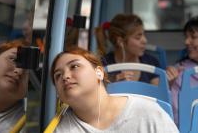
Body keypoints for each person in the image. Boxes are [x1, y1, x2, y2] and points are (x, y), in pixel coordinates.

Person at [50, 47, 179, 133]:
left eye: (74, 66)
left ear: (99, 72)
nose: (65, 76)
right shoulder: (61, 129)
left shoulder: (147, 113)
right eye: (58, 75)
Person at [95, 13, 160, 83]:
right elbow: (96, 91)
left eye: (143, 34)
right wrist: (112, 84)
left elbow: (158, 92)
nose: (145, 41)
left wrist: (169, 82)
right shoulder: (103, 64)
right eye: (138, 37)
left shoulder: (151, 63)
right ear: (120, 41)